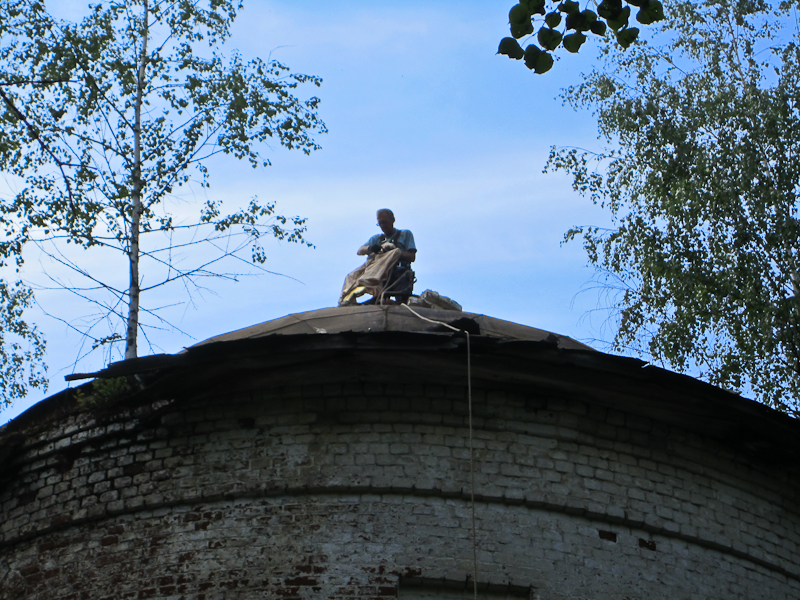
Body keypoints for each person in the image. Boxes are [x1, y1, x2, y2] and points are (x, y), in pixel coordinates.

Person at [339, 209, 416, 306]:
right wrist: (370, 248)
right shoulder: (377, 239)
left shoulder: (404, 234)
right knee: (351, 276)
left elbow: (411, 256)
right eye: (380, 223)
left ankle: (370, 281)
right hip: (377, 271)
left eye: (385, 222)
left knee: (394, 252)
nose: (383, 226)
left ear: (393, 220)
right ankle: (348, 297)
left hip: (398, 274)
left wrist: (391, 252)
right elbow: (360, 251)